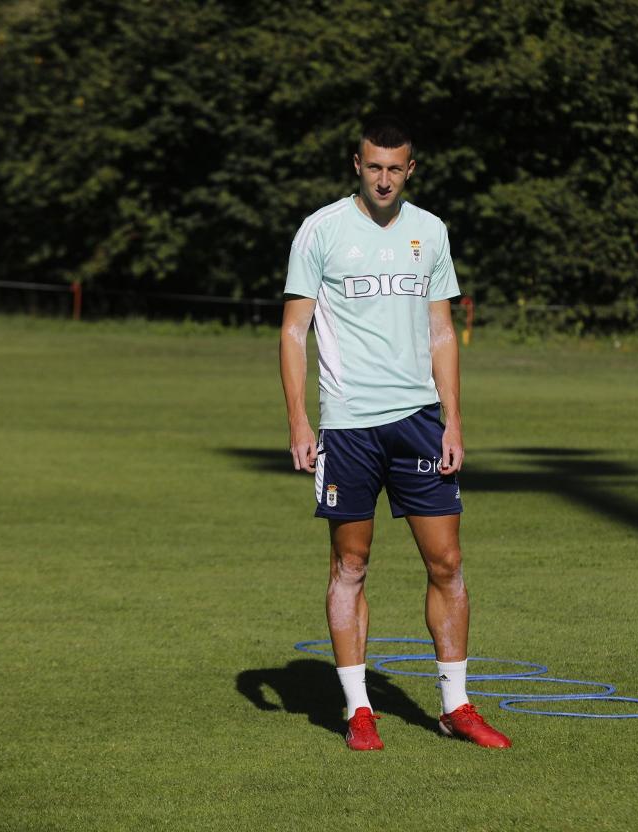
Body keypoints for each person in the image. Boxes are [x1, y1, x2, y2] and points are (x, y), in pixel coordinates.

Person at [278, 115, 511, 751]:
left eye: (395, 168)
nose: (384, 179)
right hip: (349, 425)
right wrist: (300, 420)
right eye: (373, 167)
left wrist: (453, 420)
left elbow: (441, 332)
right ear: (358, 165)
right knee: (350, 564)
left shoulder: (430, 231)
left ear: (411, 169)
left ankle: (456, 707)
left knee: (447, 563)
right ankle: (359, 710)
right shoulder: (321, 230)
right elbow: (294, 331)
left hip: (419, 422)